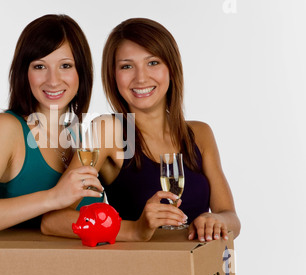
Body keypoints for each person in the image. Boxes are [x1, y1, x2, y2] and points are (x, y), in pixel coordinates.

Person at [41, 18, 240, 242]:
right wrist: (134, 230)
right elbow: (53, 221)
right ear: (113, 76)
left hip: (199, 270)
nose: (141, 77)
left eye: (153, 63)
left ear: (171, 69)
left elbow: (231, 217)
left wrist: (217, 221)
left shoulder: (200, 133)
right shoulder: (108, 131)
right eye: (127, 66)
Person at [0, 14, 102, 239]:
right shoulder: (5, 129)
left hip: (73, 271)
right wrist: (53, 197)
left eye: (65, 66)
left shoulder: (83, 140)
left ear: (82, 74)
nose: (53, 80)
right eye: (40, 66)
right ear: (24, 73)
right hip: (10, 272)